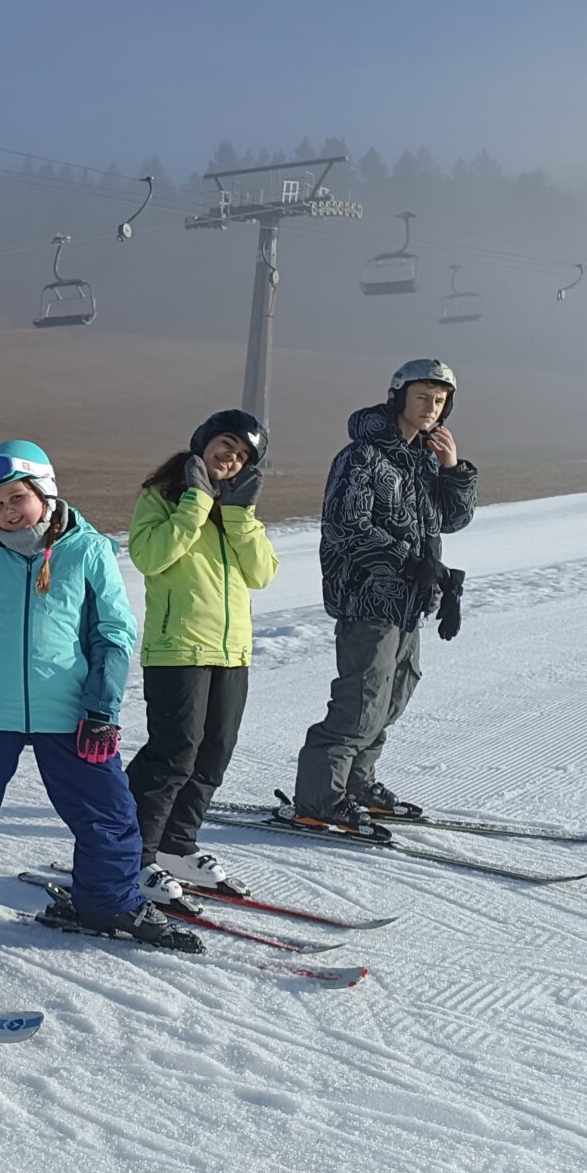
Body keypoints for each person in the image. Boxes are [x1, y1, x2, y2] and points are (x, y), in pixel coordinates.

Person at [0, 441, 200, 953]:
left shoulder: (88, 550)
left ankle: (106, 903)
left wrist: (102, 709)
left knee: (108, 814)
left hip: (71, 712)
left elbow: (113, 634)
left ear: (45, 493)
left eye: (17, 498)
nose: (8, 511)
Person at [292, 359, 478, 830]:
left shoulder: (423, 460)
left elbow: (453, 520)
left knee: (392, 698)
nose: (431, 407)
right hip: (368, 599)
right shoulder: (362, 456)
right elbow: (345, 526)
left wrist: (453, 470)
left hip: (409, 605)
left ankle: (357, 784)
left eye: (440, 400)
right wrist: (408, 562)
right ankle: (318, 799)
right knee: (361, 702)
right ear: (398, 398)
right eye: (423, 397)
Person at [125, 410, 279, 899]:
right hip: (178, 648)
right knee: (173, 755)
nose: (232, 458)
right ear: (205, 441)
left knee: (213, 754)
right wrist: (195, 502)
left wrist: (239, 516)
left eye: (243, 455)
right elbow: (149, 557)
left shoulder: (236, 511)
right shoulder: (162, 496)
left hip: (231, 652)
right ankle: (131, 854)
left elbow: (262, 574)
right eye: (227, 444)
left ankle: (176, 844)